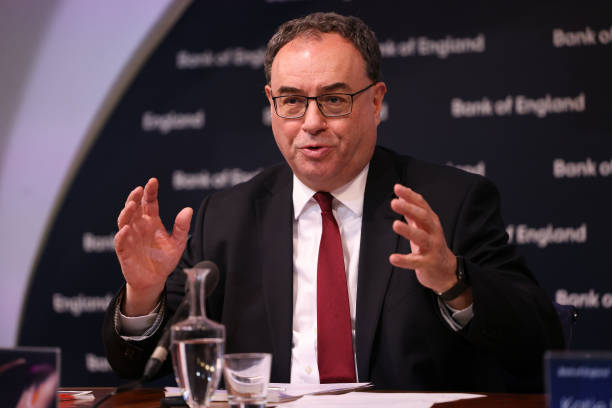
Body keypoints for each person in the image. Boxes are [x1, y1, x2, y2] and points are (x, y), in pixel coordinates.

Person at [103, 12, 563, 391]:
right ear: (271, 102)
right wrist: (144, 295)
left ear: (375, 102)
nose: (312, 122)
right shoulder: (225, 219)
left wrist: (453, 280)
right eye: (291, 101)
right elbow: (136, 365)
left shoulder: (449, 202)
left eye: (335, 100)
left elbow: (540, 344)